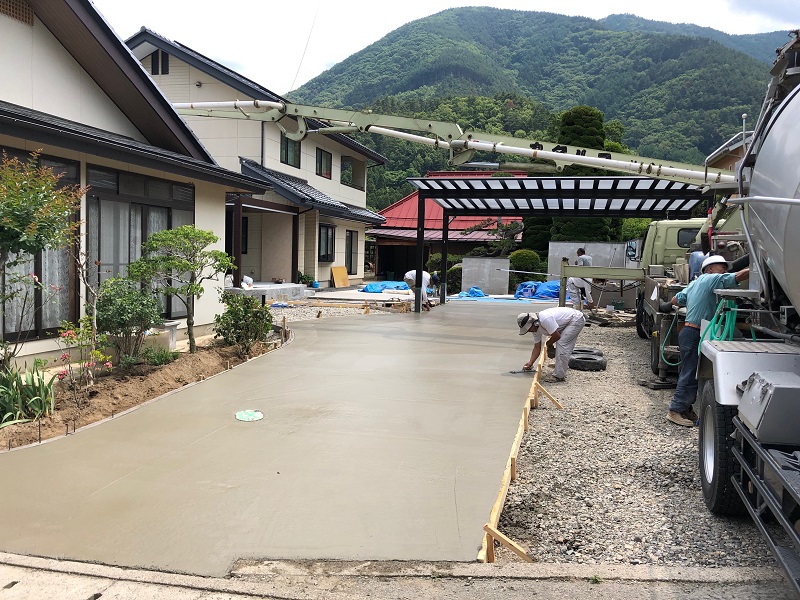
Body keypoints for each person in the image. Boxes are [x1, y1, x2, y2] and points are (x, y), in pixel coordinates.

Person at [662, 255, 750, 427]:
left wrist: (665, 305)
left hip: (691, 332)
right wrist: (761, 268)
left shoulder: (695, 283)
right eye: (721, 266)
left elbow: (678, 299)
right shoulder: (712, 279)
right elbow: (737, 277)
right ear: (709, 269)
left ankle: (686, 408)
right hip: (695, 332)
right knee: (690, 372)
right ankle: (675, 410)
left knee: (692, 372)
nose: (724, 269)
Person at [517, 307, 586, 382]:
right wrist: (530, 363)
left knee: (562, 343)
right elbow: (537, 347)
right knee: (561, 344)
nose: (529, 331)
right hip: (567, 322)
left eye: (529, 329)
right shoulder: (535, 329)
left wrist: (549, 344)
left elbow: (557, 336)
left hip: (575, 319)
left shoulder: (544, 319)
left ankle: (559, 376)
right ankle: (561, 366)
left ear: (533, 323)